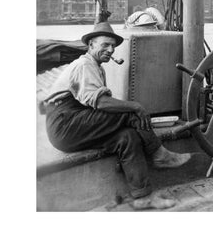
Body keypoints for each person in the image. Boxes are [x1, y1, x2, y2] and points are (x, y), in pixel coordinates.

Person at [44, 21, 191, 209]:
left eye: (113, 46)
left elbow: (100, 106)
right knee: (131, 113)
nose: (111, 50)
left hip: (71, 127)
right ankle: (159, 153)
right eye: (105, 44)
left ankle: (142, 196)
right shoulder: (84, 65)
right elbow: (101, 102)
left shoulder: (97, 67)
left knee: (127, 138)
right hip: (64, 124)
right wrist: (135, 106)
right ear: (91, 45)